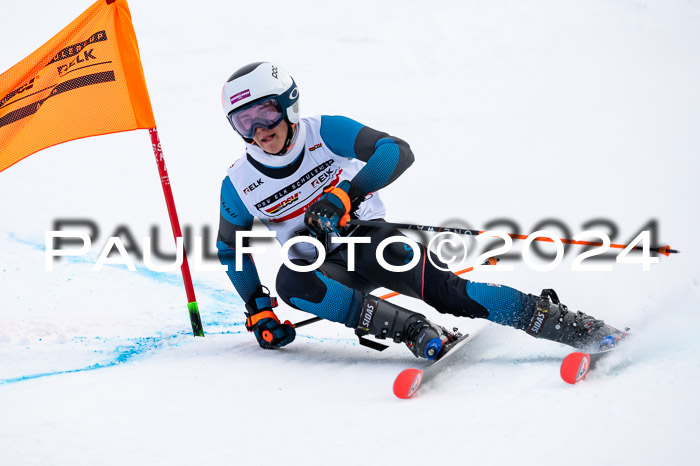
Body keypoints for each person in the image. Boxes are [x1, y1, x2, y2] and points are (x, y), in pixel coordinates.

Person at [217, 62, 625, 359]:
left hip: (367, 239)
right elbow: (231, 249)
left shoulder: (324, 131)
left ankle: (569, 325)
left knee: (449, 294)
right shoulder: (238, 183)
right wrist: (258, 308)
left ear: (288, 105)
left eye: (266, 113)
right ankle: (413, 329)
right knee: (294, 284)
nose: (259, 130)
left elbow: (396, 151)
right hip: (324, 266)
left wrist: (346, 194)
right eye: (244, 121)